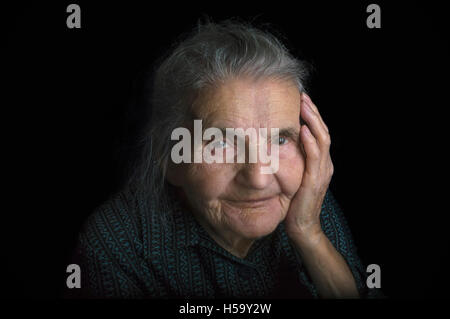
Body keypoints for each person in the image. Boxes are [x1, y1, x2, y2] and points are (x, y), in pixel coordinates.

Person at [68, 19, 383, 299]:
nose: (260, 178)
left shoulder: (306, 199)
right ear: (170, 158)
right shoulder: (118, 243)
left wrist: (308, 232)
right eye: (221, 143)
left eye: (280, 139)